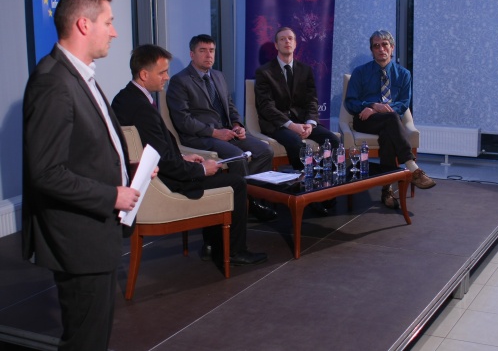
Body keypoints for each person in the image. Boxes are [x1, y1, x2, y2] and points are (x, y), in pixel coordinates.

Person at [22, 0, 144, 351]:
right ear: (83, 25)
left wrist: (132, 168)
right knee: (85, 340)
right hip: (78, 241)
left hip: (95, 235)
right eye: (109, 22)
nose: (115, 32)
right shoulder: (53, 82)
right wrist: (112, 195)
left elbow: (88, 150)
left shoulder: (77, 74)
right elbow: (46, 172)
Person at [111, 44, 267, 266]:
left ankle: (212, 245)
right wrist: (200, 169)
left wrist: (183, 158)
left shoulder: (125, 98)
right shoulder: (142, 109)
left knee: (219, 173)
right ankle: (234, 251)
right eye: (162, 72)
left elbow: (154, 150)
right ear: (144, 75)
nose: (167, 77)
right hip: (166, 182)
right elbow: (164, 162)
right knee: (237, 183)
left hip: (158, 173)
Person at [166, 34, 277, 222]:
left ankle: (254, 198)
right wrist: (215, 132)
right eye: (203, 51)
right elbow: (183, 120)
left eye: (211, 51)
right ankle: (242, 206)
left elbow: (230, 106)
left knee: (265, 150)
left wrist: (237, 124)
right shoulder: (180, 81)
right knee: (238, 156)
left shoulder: (218, 75)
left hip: (228, 132)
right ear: (192, 54)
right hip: (201, 137)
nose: (208, 55)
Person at [344, 30, 436, 209]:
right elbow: (350, 102)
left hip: (389, 122)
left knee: (389, 130)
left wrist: (381, 109)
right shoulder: (360, 72)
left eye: (385, 45)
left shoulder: (404, 74)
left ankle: (387, 190)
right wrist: (372, 105)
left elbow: (403, 104)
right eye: (376, 46)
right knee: (392, 119)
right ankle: (411, 167)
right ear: (372, 50)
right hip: (365, 121)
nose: (381, 49)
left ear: (392, 47)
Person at [255, 26, 340, 215]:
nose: (287, 41)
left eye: (290, 38)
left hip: (303, 122)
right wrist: (291, 125)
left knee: (333, 140)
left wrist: (310, 123)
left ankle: (327, 187)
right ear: (276, 45)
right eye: (282, 39)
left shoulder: (305, 70)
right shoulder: (264, 72)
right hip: (278, 124)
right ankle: (310, 191)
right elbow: (266, 107)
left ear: (295, 43)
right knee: (296, 142)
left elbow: (312, 100)